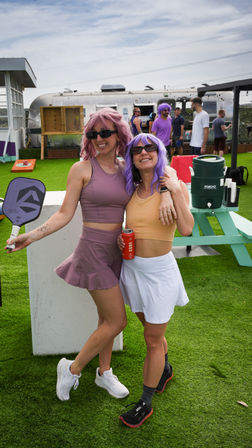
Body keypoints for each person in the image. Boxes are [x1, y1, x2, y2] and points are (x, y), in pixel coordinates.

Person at [5, 108, 175, 405]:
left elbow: (161, 172)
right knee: (117, 321)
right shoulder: (81, 169)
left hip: (120, 251)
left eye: (105, 133)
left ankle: (104, 372)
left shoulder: (126, 167)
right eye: (93, 134)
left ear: (119, 135)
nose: (99, 139)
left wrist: (170, 194)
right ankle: (71, 368)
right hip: (92, 252)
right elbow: (63, 214)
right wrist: (31, 236)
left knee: (104, 317)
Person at [118, 133, 194, 428]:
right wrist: (118, 239)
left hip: (160, 273)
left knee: (151, 339)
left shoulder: (174, 185)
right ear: (132, 158)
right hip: (132, 270)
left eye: (150, 147)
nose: (144, 152)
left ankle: (145, 402)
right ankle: (166, 368)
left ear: (159, 151)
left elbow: (186, 229)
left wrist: (171, 191)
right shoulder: (131, 188)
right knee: (150, 329)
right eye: (137, 149)